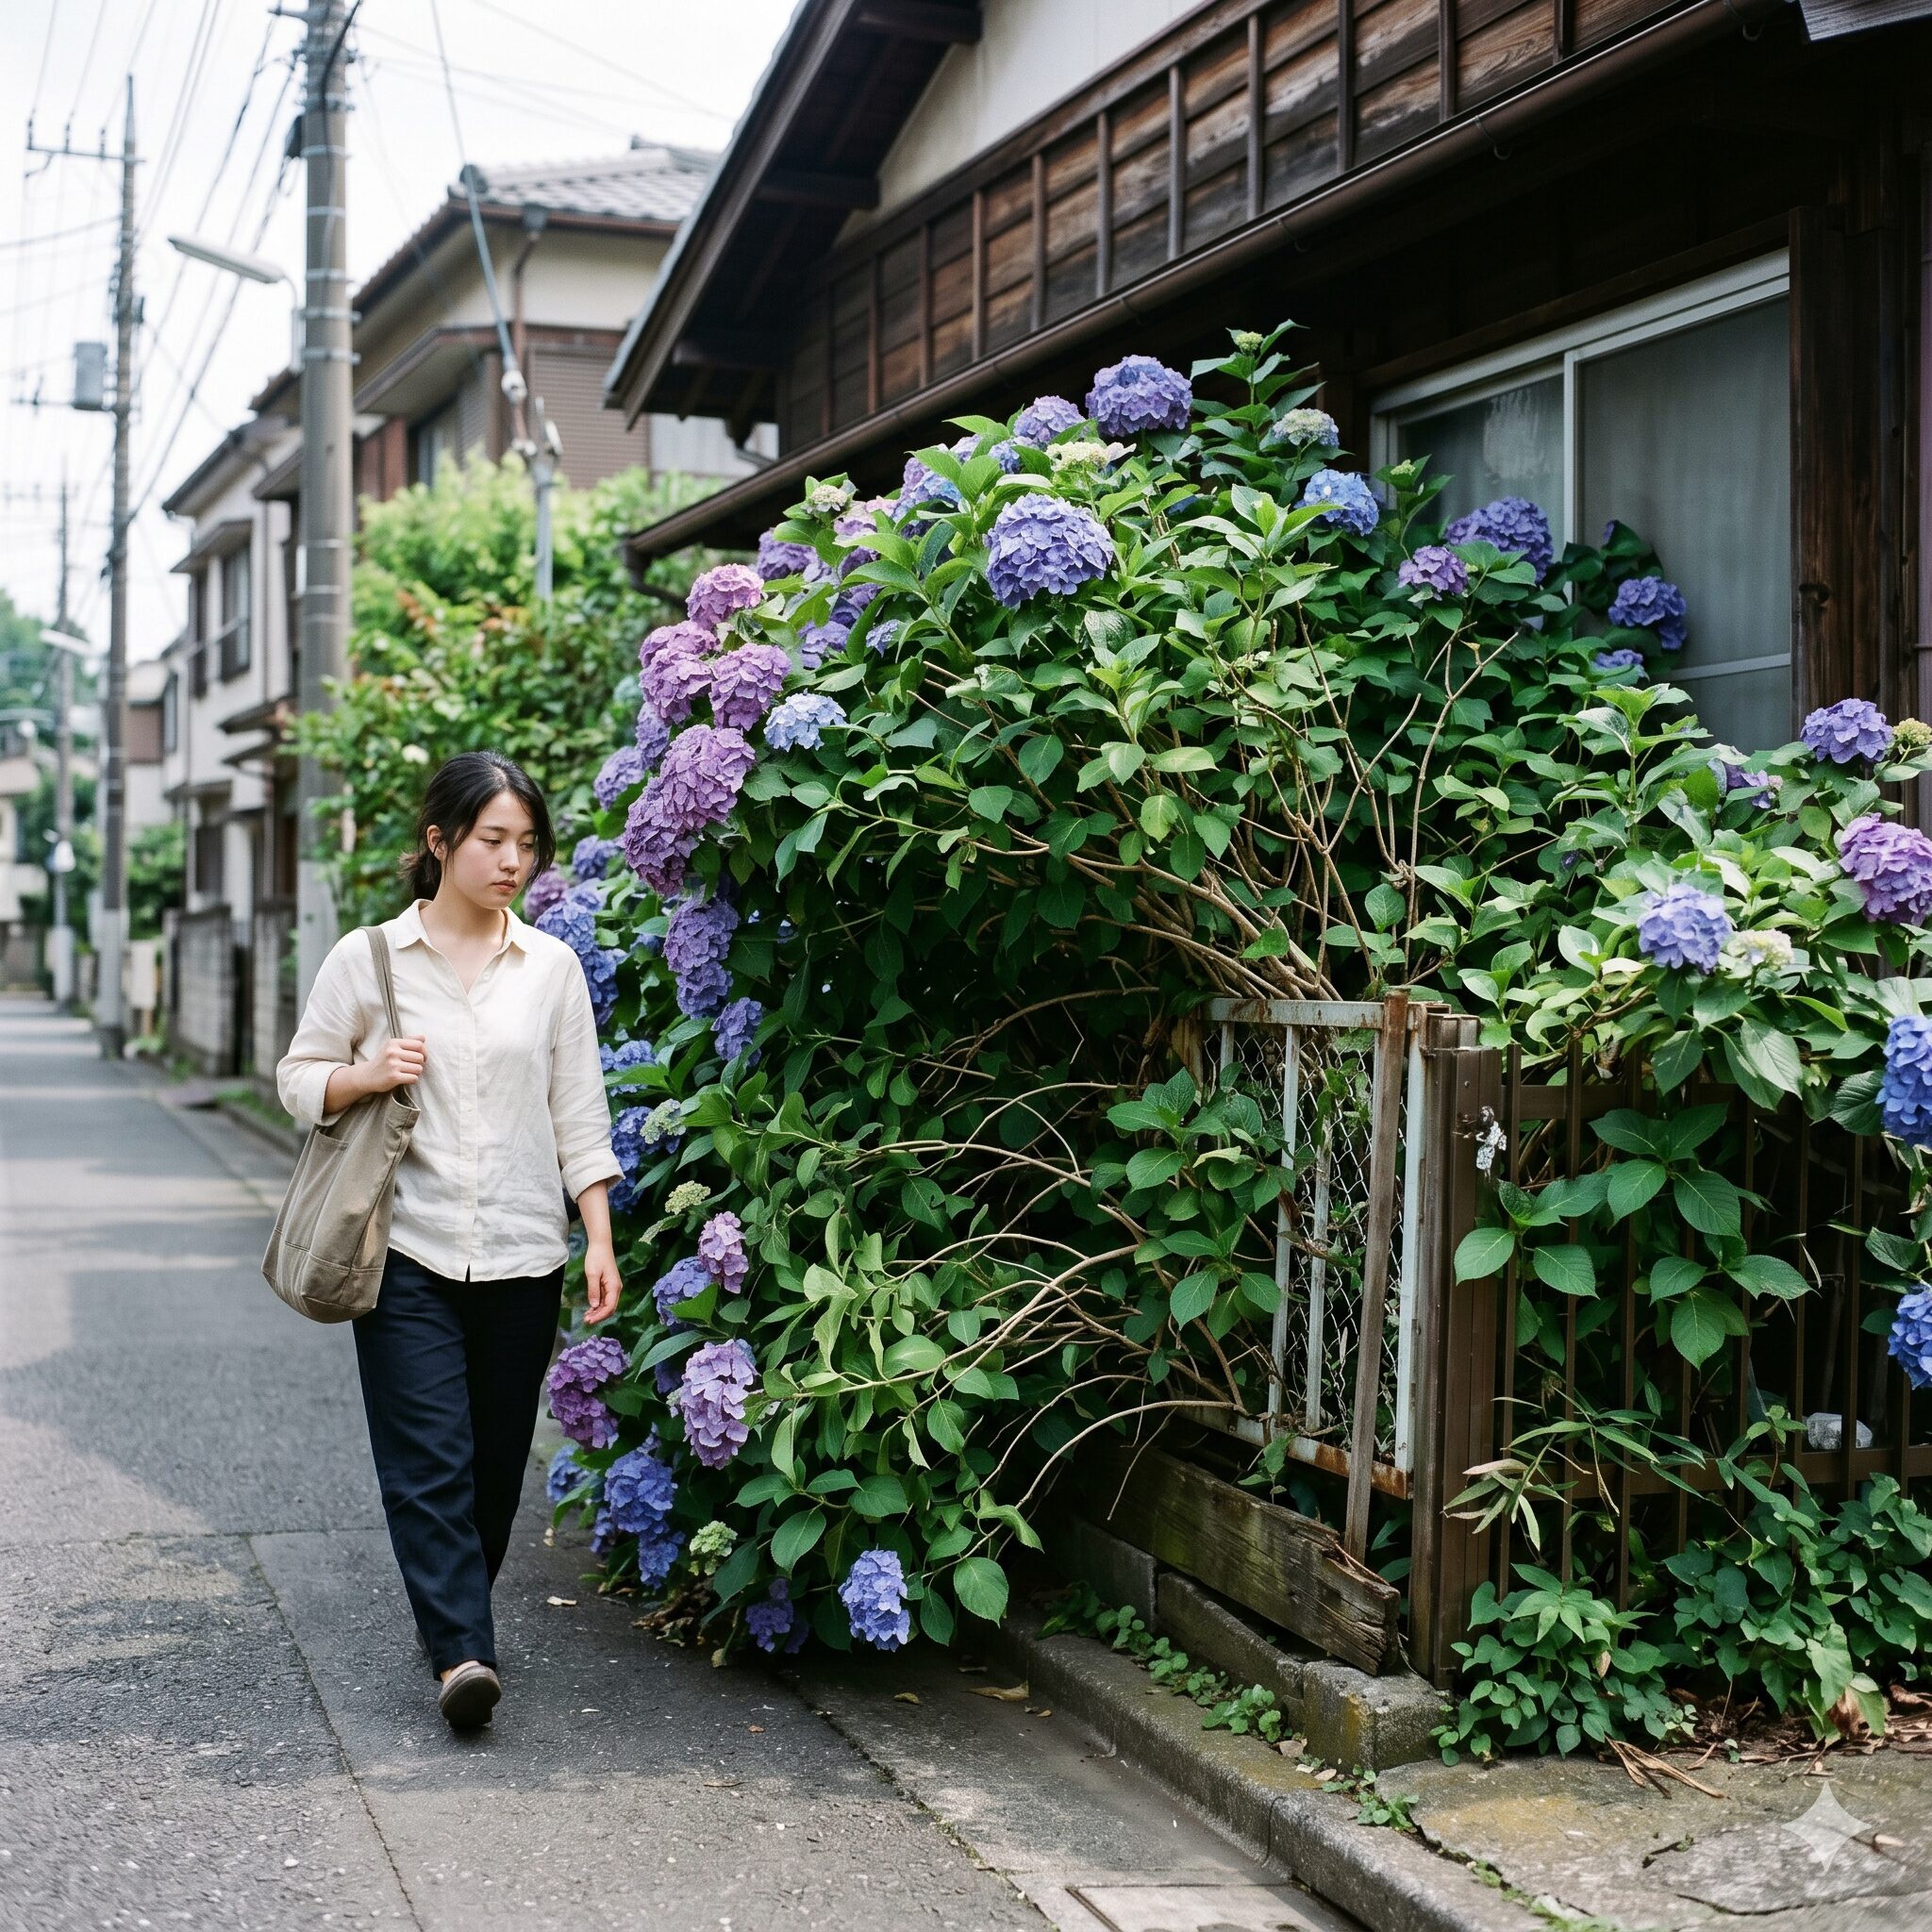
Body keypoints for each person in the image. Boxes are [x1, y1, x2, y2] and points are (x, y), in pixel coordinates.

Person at [275, 750, 623, 1731]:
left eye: (527, 843)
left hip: (523, 1252)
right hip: (405, 1251)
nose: (513, 860)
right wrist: (365, 1074)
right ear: (439, 842)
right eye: (492, 840)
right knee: (426, 1460)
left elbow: (578, 1114)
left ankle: (450, 1612)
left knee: (494, 1469)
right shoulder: (370, 958)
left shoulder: (551, 968)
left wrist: (598, 1237)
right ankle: (464, 1653)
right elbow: (298, 1076)